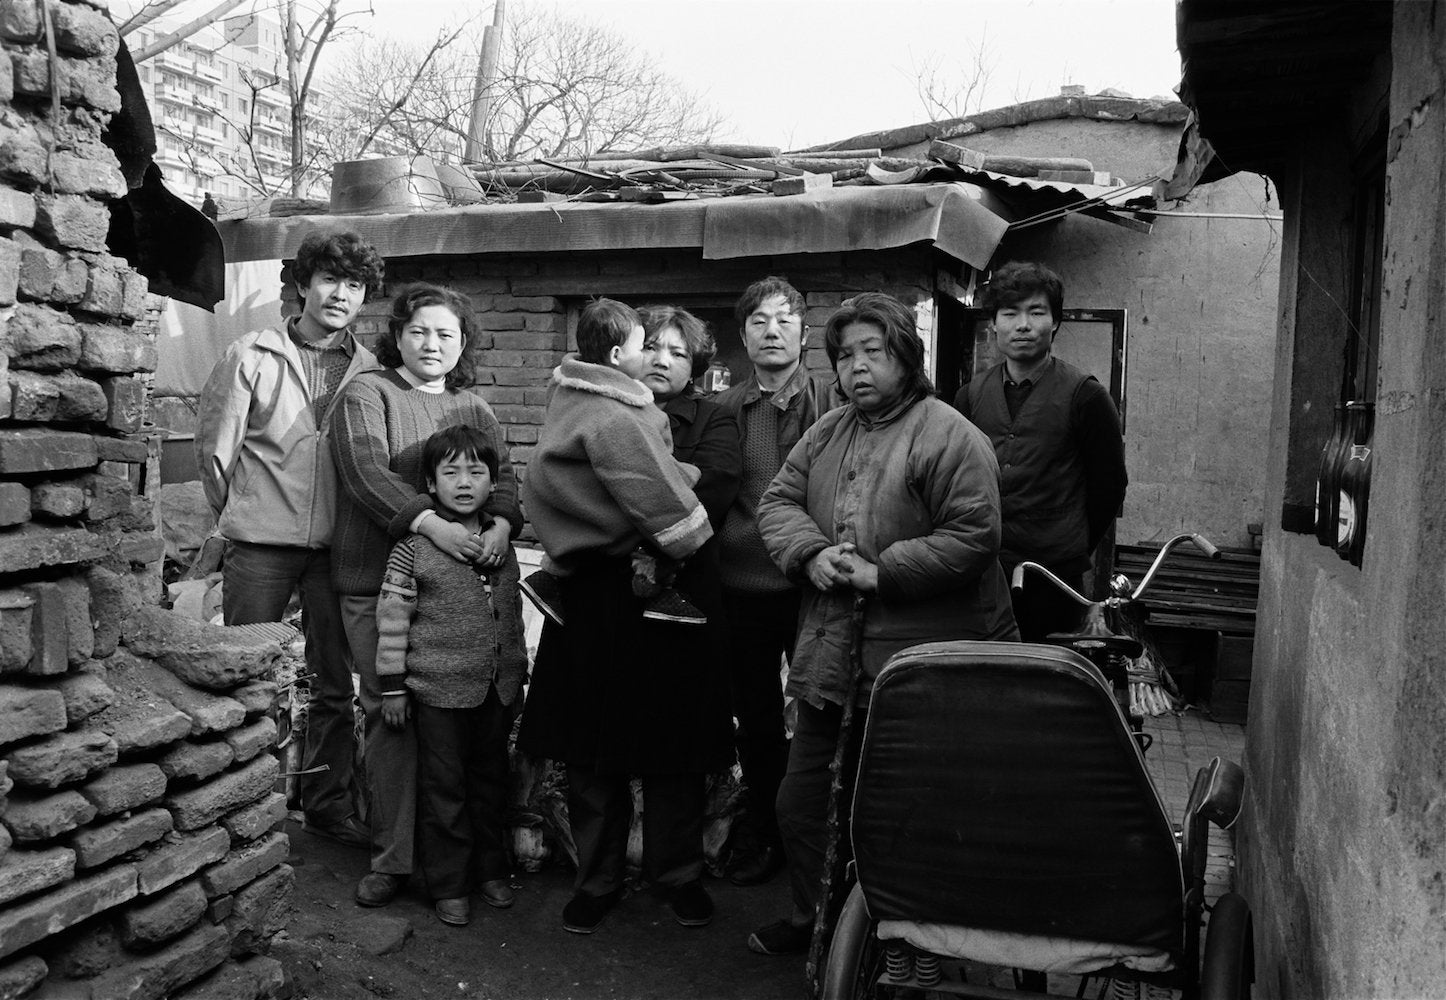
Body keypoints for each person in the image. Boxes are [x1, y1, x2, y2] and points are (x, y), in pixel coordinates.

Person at [748, 292, 1018, 957]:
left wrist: (883, 571)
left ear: (907, 356)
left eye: (874, 351)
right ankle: (822, 921)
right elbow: (778, 501)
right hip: (831, 659)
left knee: (908, 813)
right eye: (845, 355)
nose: (857, 367)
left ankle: (909, 939)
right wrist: (811, 555)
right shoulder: (830, 429)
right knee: (803, 803)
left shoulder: (949, 433)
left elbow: (974, 535)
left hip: (923, 668)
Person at [517, 298, 716, 935]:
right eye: (648, 345)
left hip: (669, 597)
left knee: (673, 744)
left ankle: (676, 873)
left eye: (675, 351)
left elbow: (714, 481)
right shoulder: (607, 413)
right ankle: (596, 880)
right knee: (589, 747)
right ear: (619, 357)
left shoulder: (715, 419)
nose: (659, 358)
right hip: (596, 596)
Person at [330, 283, 521, 910]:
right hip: (377, 581)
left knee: (454, 745)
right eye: (419, 331)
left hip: (460, 596)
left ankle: (457, 863)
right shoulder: (368, 393)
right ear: (399, 335)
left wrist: (500, 522)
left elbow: (504, 476)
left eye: (445, 333)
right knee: (394, 719)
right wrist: (430, 523)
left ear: (462, 341)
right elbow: (364, 471)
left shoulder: (476, 408)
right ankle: (394, 860)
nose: (431, 343)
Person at [195, 229, 385, 851]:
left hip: (338, 550)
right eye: (328, 280)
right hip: (260, 548)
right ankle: (243, 798)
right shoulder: (253, 353)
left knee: (334, 682)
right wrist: (242, 517)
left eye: (353, 285)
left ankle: (327, 806)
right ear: (301, 285)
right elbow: (216, 453)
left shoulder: (370, 369)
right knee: (248, 675)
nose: (340, 294)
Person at [373, 424, 528, 928]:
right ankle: (450, 882)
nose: (465, 482)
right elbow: (392, 622)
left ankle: (489, 869)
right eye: (452, 472)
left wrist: (516, 677)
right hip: (437, 693)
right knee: (445, 790)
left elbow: (510, 619)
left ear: (493, 484)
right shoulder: (413, 549)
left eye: (477, 472)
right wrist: (392, 688)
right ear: (431, 484)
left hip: (495, 691)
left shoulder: (501, 544)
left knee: (490, 781)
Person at [712, 276, 839, 887]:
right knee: (755, 718)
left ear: (804, 335)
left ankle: (815, 829)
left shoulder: (830, 407)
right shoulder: (727, 408)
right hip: (740, 586)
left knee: (817, 709)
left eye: (784, 320)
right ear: (742, 336)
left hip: (808, 588)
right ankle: (765, 824)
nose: (771, 331)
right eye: (759, 321)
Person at [952, 261, 1128, 641]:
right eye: (1010, 313)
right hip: (983, 569)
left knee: (1044, 676)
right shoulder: (969, 396)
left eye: (1036, 312)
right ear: (994, 323)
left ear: (1055, 322)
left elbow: (1110, 485)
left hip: (1054, 575)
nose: (1023, 325)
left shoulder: (1087, 396)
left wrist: (1069, 542)